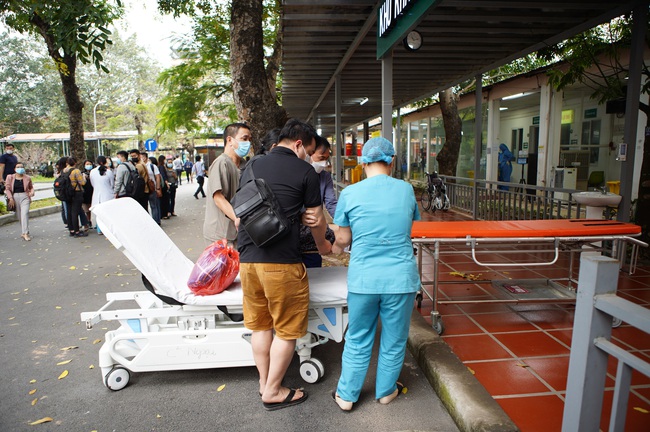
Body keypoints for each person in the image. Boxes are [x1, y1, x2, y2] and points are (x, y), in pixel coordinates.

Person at [237, 118, 332, 411]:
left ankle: (265, 383)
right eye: (309, 150)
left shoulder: (251, 165)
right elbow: (316, 220)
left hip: (248, 261)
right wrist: (324, 246)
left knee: (261, 327)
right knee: (288, 331)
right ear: (299, 144)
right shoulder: (305, 171)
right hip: (281, 263)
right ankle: (273, 391)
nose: (309, 157)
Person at [329, 136, 421, 411]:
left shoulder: (349, 193)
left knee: (358, 336)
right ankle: (386, 391)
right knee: (394, 338)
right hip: (400, 279)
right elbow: (408, 227)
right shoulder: (406, 190)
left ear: (363, 161)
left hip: (364, 279)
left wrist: (334, 240)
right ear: (392, 161)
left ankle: (346, 396)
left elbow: (343, 240)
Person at [203, 122, 252, 246]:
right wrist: (236, 218)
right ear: (229, 140)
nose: (247, 143)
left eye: (249, 139)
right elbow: (218, 198)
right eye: (244, 139)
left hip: (238, 233)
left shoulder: (244, 166)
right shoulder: (221, 163)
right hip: (221, 235)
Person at [300, 136, 338, 267]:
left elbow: (331, 203)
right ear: (310, 153)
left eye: (326, 159)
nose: (324, 163)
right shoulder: (297, 173)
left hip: (314, 231)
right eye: (321, 158)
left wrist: (344, 221)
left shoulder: (324, 177)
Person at [4, 162, 35, 241]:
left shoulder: (27, 177)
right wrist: (10, 198)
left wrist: (32, 192)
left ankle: (25, 233)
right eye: (18, 167)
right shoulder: (10, 177)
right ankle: (23, 231)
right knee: (19, 216)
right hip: (14, 197)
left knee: (24, 214)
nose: (20, 168)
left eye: (21, 167)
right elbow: (7, 188)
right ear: (15, 169)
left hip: (25, 196)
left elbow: (31, 187)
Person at [89, 156, 115, 235]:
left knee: (99, 214)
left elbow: (92, 183)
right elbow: (112, 184)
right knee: (108, 213)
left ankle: (100, 229)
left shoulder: (92, 172)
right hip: (108, 195)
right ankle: (109, 229)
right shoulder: (109, 172)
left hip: (97, 195)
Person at [64, 157, 87, 238]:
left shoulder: (64, 171)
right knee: (75, 212)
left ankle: (71, 230)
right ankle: (77, 231)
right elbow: (82, 182)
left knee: (69, 212)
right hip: (76, 192)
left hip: (67, 193)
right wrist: (84, 176)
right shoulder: (76, 171)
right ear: (75, 163)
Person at [142, 152, 161, 225]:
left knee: (154, 206)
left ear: (146, 158)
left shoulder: (152, 166)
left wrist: (158, 187)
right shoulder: (138, 166)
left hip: (152, 188)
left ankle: (156, 222)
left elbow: (157, 177)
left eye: (143, 157)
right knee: (145, 206)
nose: (142, 159)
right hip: (143, 190)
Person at [81, 159, 95, 230]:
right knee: (86, 209)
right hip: (85, 193)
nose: (88, 165)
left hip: (93, 192)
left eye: (90, 164)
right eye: (87, 164)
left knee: (91, 207)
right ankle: (87, 221)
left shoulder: (95, 172)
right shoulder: (82, 173)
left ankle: (90, 221)